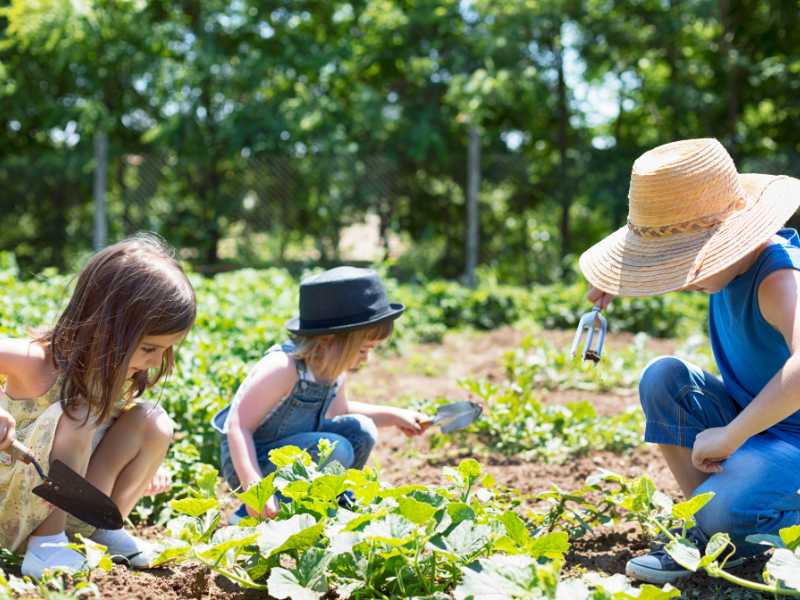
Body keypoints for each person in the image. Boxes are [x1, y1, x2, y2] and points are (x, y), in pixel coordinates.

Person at [579, 138, 800, 584]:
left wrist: (732, 435)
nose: (681, 278)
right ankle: (706, 531)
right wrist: (622, 280)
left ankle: (727, 523)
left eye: (686, 262)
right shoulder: (730, 270)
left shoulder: (778, 277)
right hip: (761, 429)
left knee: (724, 506)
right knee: (664, 377)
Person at [0, 234, 196, 578]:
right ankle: (47, 547)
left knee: (153, 422)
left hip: (64, 502)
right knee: (79, 413)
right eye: (150, 348)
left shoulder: (114, 375)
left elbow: (110, 435)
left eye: (166, 350)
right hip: (10, 505)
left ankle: (98, 531)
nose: (156, 362)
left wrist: (145, 463)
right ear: (107, 330)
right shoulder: (37, 363)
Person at [213, 266, 431, 522]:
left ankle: (331, 502)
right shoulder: (283, 367)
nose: (366, 359)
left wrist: (395, 416)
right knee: (336, 448)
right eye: (362, 350)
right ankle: (250, 514)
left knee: (361, 430)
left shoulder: (334, 367)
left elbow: (341, 412)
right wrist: (255, 490)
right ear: (329, 341)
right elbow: (238, 426)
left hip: (297, 455)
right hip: (251, 463)